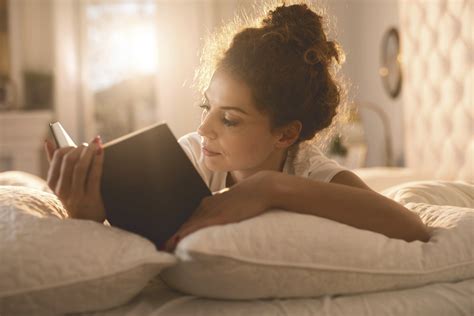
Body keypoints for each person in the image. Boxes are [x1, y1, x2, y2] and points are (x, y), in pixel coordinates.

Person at [44, 3, 430, 252]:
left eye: (229, 119)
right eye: (206, 107)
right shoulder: (193, 156)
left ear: (285, 135)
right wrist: (89, 217)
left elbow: (411, 227)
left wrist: (270, 187)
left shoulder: (308, 171)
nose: (204, 127)